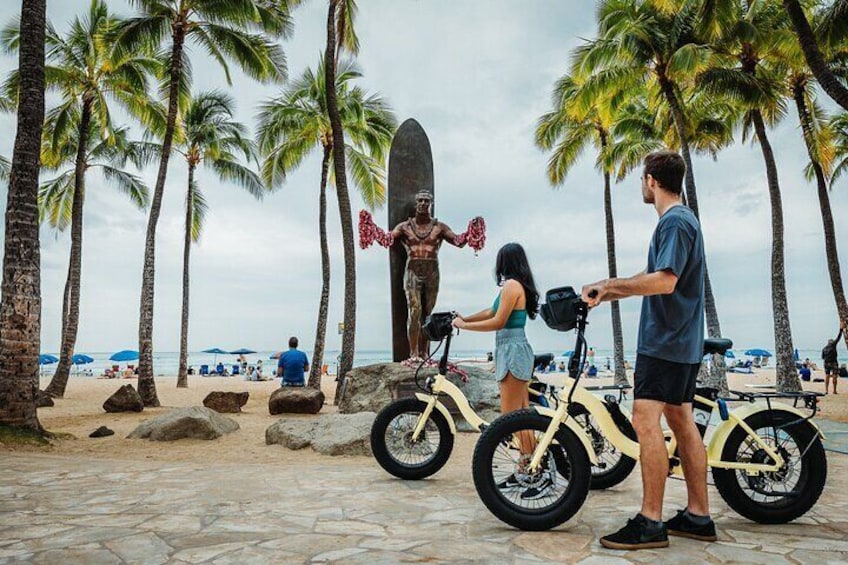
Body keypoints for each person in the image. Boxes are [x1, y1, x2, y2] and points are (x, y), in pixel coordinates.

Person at [582, 150, 714, 550]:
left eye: (642, 178)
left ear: (652, 180)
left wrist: (610, 285)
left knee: (644, 421)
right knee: (682, 422)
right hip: (681, 341)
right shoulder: (684, 219)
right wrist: (611, 291)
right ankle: (698, 516)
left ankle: (651, 521)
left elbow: (665, 281)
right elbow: (653, 276)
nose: (642, 184)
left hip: (666, 341)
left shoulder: (674, 221)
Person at [452, 242, 543, 499]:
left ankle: (533, 471)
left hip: (513, 350)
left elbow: (498, 321)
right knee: (519, 416)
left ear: (505, 262)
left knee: (513, 416)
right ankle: (527, 468)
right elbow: (492, 311)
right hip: (509, 348)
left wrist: (464, 328)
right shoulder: (513, 286)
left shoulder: (513, 286)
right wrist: (465, 318)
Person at [390, 190, 471, 359]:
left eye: (426, 201)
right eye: (420, 200)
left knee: (428, 314)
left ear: (431, 204)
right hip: (412, 270)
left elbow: (458, 241)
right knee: (415, 311)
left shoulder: (439, 227)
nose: (423, 204)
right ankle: (413, 354)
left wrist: (472, 232)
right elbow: (388, 239)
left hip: (432, 271)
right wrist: (370, 229)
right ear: (415, 203)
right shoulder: (404, 227)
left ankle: (424, 353)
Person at [823, 322, 846, 394]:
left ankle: (826, 390)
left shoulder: (824, 348)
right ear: (832, 342)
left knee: (827, 375)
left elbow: (822, 357)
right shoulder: (833, 345)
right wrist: (841, 329)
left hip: (826, 363)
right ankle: (834, 390)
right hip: (833, 363)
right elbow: (838, 337)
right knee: (835, 376)